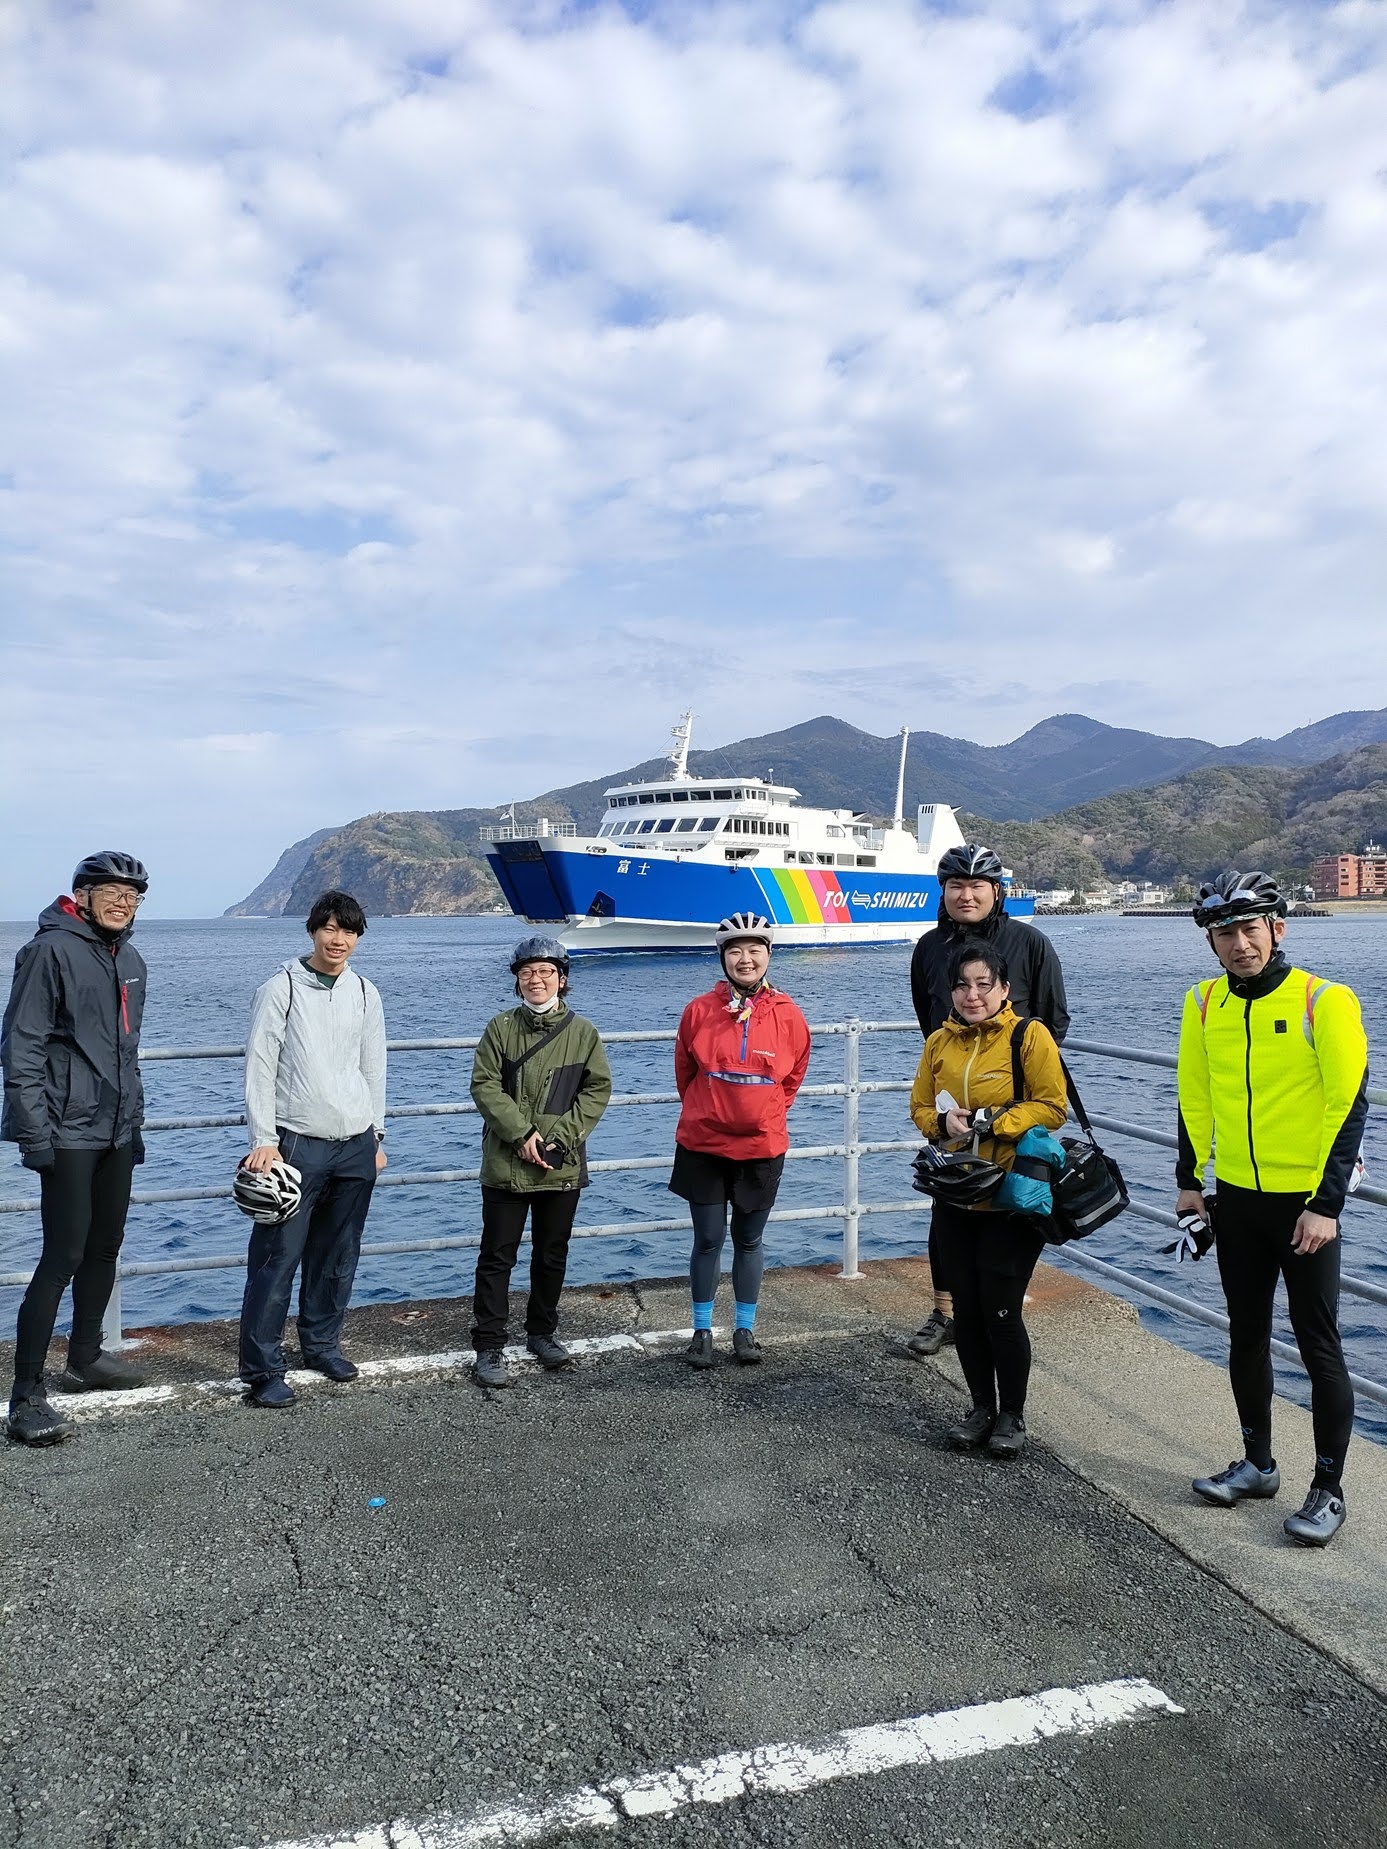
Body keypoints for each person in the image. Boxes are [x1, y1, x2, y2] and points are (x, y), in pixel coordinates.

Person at [1176, 870, 1369, 1547]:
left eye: (1249, 929)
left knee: (1318, 1344)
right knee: (1246, 1333)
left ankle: (1328, 1489)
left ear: (1276, 929)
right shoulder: (1202, 1004)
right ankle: (1257, 1464)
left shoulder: (1323, 1000)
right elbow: (1194, 1095)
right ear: (1211, 942)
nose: (1239, 943)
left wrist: (1326, 1204)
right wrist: (1188, 1180)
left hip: (1304, 1207)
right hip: (1236, 1198)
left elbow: (1348, 1105)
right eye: (1224, 933)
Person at [2, 852, 152, 1445]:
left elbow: (127, 1054)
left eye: (133, 895)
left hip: (115, 1129)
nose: (123, 902)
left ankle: (86, 1357)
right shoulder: (48, 952)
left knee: (105, 1245)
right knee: (62, 1255)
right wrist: (32, 1134)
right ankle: (24, 1396)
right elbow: (21, 1048)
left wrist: (134, 1125)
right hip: (65, 1130)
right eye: (111, 891)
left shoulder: (130, 959)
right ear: (82, 896)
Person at [907, 843, 1070, 1358]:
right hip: (953, 1106)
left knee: (1011, 1211)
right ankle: (944, 1313)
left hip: (1013, 1110)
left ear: (996, 892)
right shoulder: (929, 946)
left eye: (977, 885)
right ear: (943, 892)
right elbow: (929, 1019)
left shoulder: (1030, 942)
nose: (966, 894)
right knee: (946, 1211)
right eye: (956, 885)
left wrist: (1016, 1088)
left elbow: (1052, 1018)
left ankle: (999, 1310)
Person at [909, 940, 1068, 1457]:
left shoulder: (1029, 1035)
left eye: (984, 984)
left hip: (1011, 1192)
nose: (972, 995)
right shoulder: (939, 1041)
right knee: (967, 1310)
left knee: (1001, 1309)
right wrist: (943, 1121)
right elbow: (920, 1107)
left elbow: (1053, 1106)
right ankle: (980, 1408)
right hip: (956, 1192)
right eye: (962, 985)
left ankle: (1012, 1415)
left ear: (1004, 989)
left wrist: (996, 1121)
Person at [238, 890, 387, 1408]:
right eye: (329, 928)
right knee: (277, 1259)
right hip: (296, 1142)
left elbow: (373, 1067)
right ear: (312, 930)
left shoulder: (365, 992)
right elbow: (259, 1065)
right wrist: (263, 1138)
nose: (338, 939)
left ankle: (321, 1345)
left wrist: (377, 1135)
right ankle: (262, 1369)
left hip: (356, 1142)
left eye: (348, 931)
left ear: (358, 937)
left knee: (337, 1254)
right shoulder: (280, 988)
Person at [468, 937, 612, 1389]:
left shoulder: (583, 1032)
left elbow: (596, 1090)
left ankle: (542, 1332)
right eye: (527, 972)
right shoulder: (499, 1029)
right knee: (497, 1256)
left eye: (546, 971)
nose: (536, 979)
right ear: (517, 981)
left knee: (552, 1253)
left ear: (562, 979)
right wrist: (521, 1134)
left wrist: (557, 1139)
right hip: (505, 1163)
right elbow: (484, 1085)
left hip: (559, 1163)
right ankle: (489, 1344)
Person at [670, 913, 811, 1369]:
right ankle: (701, 1331)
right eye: (735, 950)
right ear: (722, 957)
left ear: (769, 955)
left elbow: (793, 1076)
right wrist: (710, 1109)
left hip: (761, 1147)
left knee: (749, 1239)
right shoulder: (698, 1011)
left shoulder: (788, 1014)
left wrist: (762, 1112)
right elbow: (685, 1073)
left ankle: (745, 1330)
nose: (745, 959)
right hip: (703, 1144)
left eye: (754, 950)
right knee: (708, 1238)